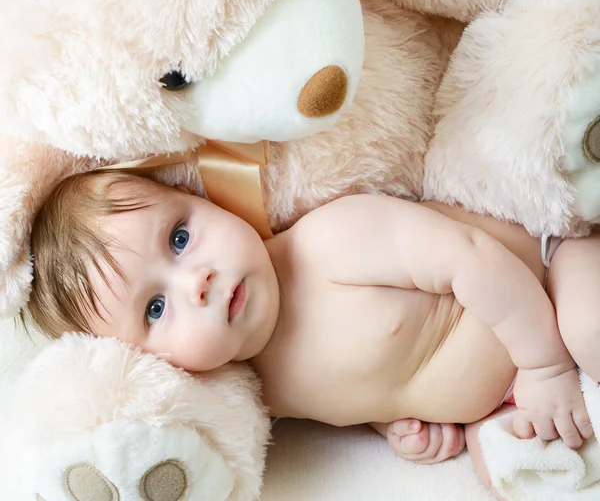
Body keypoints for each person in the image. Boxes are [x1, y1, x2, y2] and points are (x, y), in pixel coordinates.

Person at [24, 170, 600, 496]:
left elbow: (474, 259)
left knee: (589, 330)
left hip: (546, 270)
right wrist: (392, 422)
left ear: (203, 200)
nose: (195, 281)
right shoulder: (261, 392)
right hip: (496, 390)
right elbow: (365, 377)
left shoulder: (331, 241)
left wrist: (544, 364)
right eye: (154, 308)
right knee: (505, 473)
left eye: (178, 238)